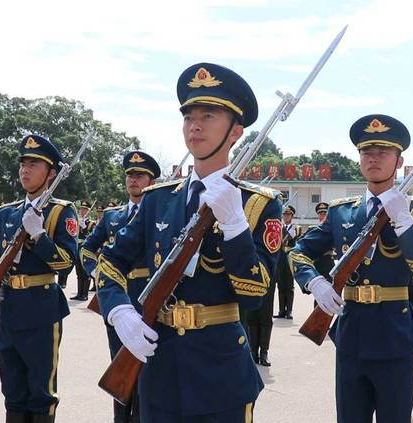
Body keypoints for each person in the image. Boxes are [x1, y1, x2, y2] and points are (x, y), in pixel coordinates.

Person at [96, 62, 282, 422]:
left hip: (220, 372)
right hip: (159, 366)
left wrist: (234, 225)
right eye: (189, 116)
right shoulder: (157, 199)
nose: (195, 125)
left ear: (236, 132)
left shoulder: (257, 204)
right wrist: (120, 311)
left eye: (209, 115)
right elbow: (110, 261)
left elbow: (255, 293)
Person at [290, 114, 413, 422]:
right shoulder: (340, 211)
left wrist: (404, 224)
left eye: (383, 152)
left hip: (394, 336)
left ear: (399, 161)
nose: (373, 159)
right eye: (366, 152)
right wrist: (315, 282)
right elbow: (298, 251)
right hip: (351, 333)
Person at [0, 134, 78, 423]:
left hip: (42, 312)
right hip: (10, 311)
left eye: (34, 164)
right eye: (23, 164)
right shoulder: (7, 213)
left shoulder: (60, 212)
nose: (25, 170)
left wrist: (40, 235)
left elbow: (67, 264)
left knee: (41, 392)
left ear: (51, 173)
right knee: (13, 390)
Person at [80, 150, 160, 423]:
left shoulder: (162, 212)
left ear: (152, 180)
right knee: (120, 368)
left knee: (149, 374)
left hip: (150, 298)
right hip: (118, 300)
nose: (133, 180)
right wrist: (98, 275)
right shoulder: (112, 216)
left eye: (139, 176)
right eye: (129, 176)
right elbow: (88, 250)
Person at [274, 204, 300, 319]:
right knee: (280, 285)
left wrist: (283, 231)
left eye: (288, 215)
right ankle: (281, 311)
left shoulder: (296, 227)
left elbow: (290, 237)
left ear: (292, 216)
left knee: (289, 285)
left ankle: (289, 311)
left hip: (289, 256)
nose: (286, 217)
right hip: (280, 257)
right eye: (284, 215)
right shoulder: (279, 227)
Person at [69, 201, 97, 301]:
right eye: (81, 209)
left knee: (85, 272)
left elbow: (93, 236)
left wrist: (85, 228)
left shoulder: (91, 223)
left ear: (89, 211)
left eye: (85, 209)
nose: (82, 211)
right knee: (79, 272)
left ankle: (84, 295)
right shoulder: (77, 221)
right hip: (78, 248)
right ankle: (79, 293)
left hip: (86, 250)